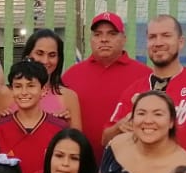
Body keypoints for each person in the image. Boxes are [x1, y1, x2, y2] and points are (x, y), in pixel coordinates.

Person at [103, 14, 186, 170]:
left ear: (181, 42)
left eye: (166, 36)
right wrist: (120, 126)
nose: (158, 43)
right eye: (152, 37)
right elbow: (105, 138)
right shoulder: (134, 90)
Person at [62, 11, 149, 139]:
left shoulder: (145, 75)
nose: (104, 39)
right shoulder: (71, 75)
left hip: (127, 156)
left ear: (124, 39)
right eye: (97, 34)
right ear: (91, 40)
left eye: (112, 34)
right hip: (80, 157)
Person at [0, 60, 68, 173]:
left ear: (43, 90)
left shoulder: (59, 128)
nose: (24, 92)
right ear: (12, 90)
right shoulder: (1, 127)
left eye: (31, 86)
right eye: (18, 86)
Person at [20, 28, 83, 132]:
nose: (45, 60)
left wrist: (65, 126)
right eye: (40, 53)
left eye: (52, 55)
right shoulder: (7, 94)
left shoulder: (69, 97)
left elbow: (77, 143)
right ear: (28, 55)